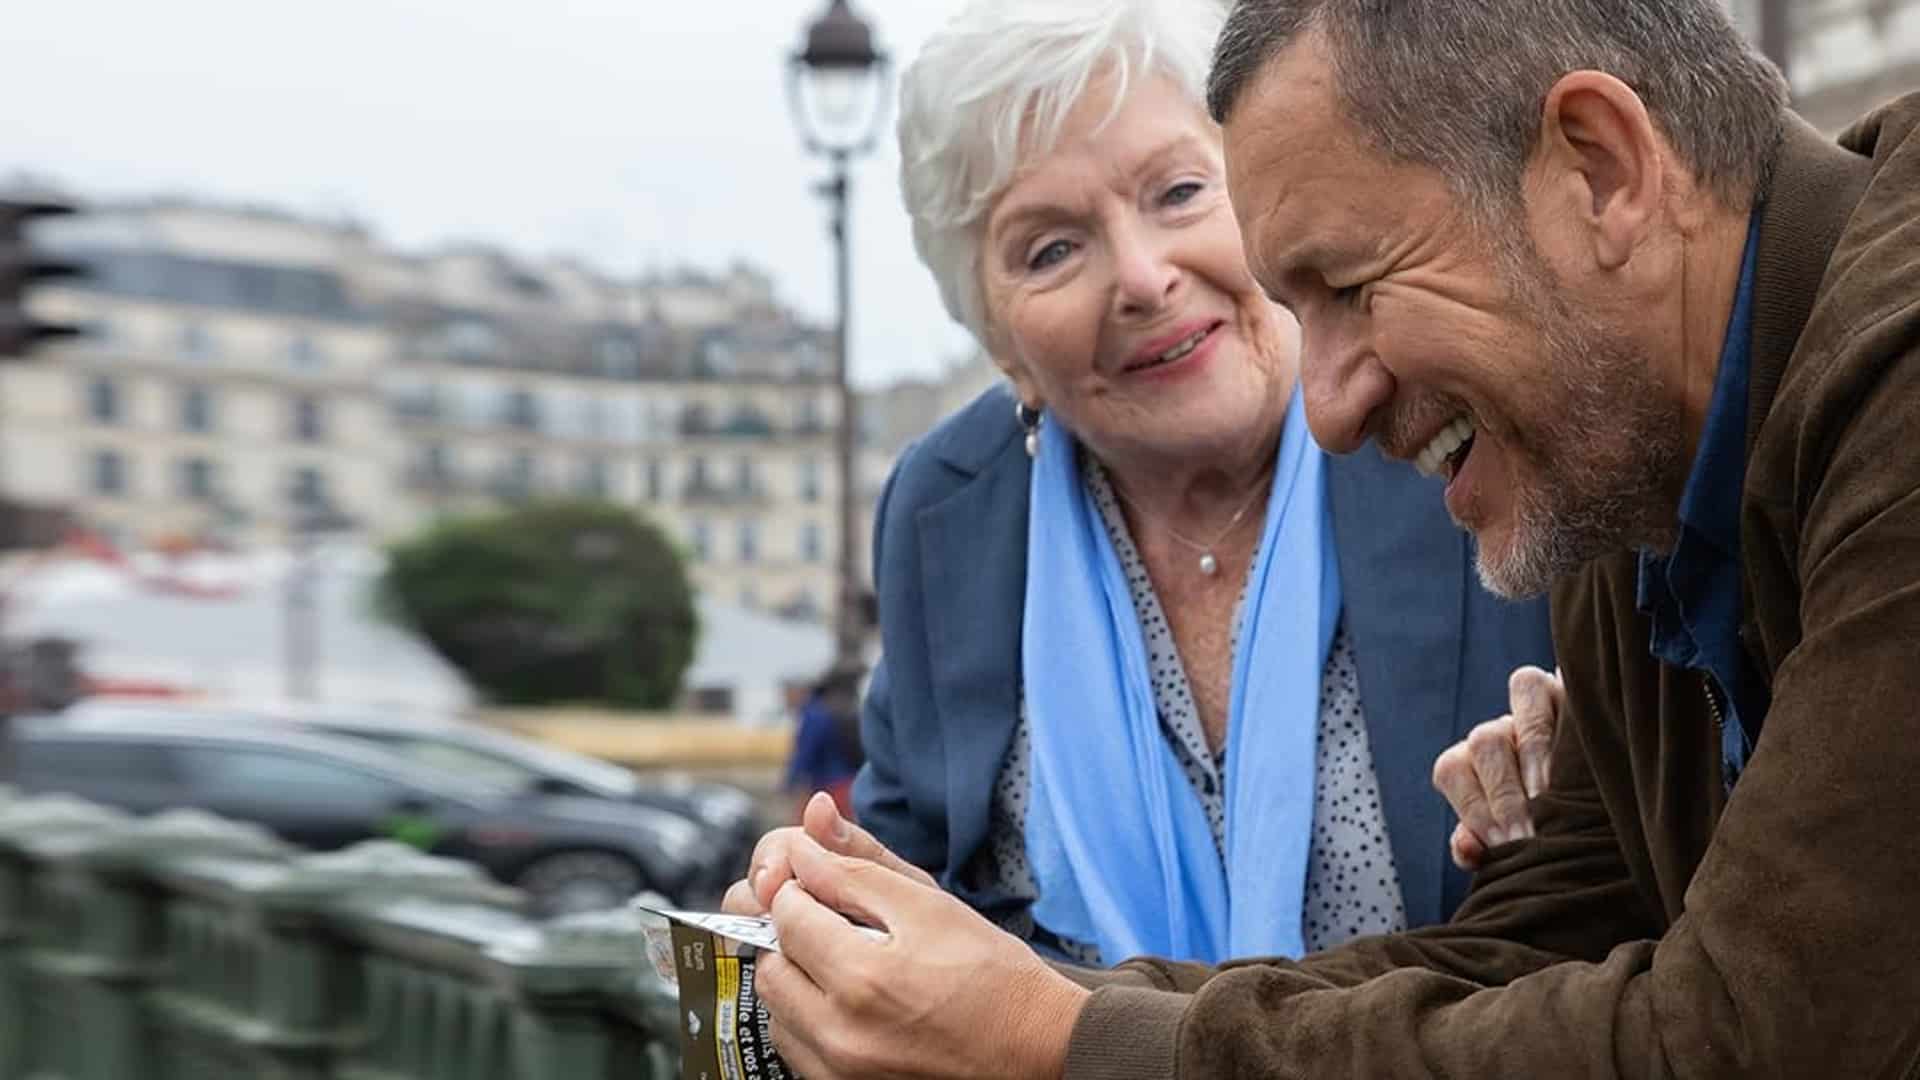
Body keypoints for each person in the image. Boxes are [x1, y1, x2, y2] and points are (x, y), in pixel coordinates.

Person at [721, 0, 1920, 1076]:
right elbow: (1523, 955)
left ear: (1599, 170)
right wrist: (961, 1001)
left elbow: (1758, 1039)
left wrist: (1051, 1040)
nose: (1330, 405)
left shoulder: (1857, 398)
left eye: (1348, 285)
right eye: (1048, 246)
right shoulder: (1631, 443)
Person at [824, 0, 1553, 971]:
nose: (1142, 275)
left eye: (1176, 193)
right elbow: (907, 880)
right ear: (1005, 349)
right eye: (1050, 249)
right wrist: (823, 917)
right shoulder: (945, 507)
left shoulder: (1447, 409)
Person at [784, 665, 864, 819]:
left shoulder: (812, 714)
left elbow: (805, 752)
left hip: (829, 786)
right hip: (848, 782)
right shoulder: (829, 709)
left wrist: (789, 782)